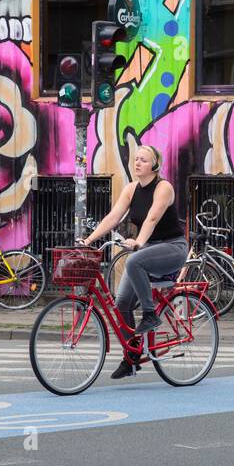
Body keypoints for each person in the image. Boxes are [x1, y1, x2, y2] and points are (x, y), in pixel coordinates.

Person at [81, 145, 187, 379]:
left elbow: (152, 217)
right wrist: (89, 239)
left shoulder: (164, 187)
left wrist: (139, 241)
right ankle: (131, 360)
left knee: (134, 260)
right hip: (148, 249)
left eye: (144, 160)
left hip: (172, 247)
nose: (137, 163)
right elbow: (113, 216)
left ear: (155, 165)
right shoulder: (131, 189)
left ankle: (149, 314)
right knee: (121, 304)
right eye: (136, 159)